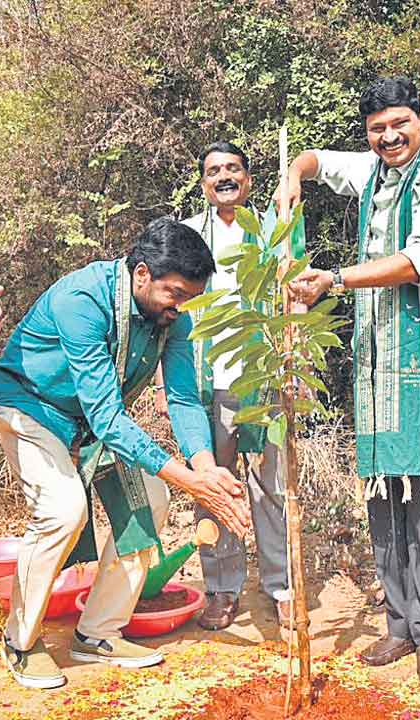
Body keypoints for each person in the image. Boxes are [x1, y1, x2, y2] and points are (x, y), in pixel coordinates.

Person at [0, 218, 253, 689]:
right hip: (30, 407)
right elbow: (108, 417)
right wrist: (186, 479)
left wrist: (206, 469)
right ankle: (20, 641)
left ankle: (97, 633)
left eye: (190, 297)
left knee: (152, 501)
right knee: (62, 512)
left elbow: (185, 399)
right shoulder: (82, 301)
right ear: (142, 274)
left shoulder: (172, 316)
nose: (181, 307)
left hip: (86, 421)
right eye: (175, 294)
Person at [283, 76, 420, 684]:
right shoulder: (372, 170)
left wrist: (333, 280)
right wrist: (294, 174)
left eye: (399, 124)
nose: (389, 137)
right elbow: (316, 163)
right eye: (376, 129)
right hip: (378, 359)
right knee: (383, 490)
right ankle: (398, 623)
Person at [176, 141, 291, 631]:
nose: (223, 176)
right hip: (206, 382)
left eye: (232, 169)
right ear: (203, 184)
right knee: (214, 489)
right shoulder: (187, 236)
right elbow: (173, 312)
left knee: (271, 488)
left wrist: (292, 367)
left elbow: (295, 296)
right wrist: (169, 386)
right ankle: (221, 589)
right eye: (213, 171)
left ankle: (282, 587)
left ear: (248, 179)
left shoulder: (274, 230)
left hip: (263, 380)